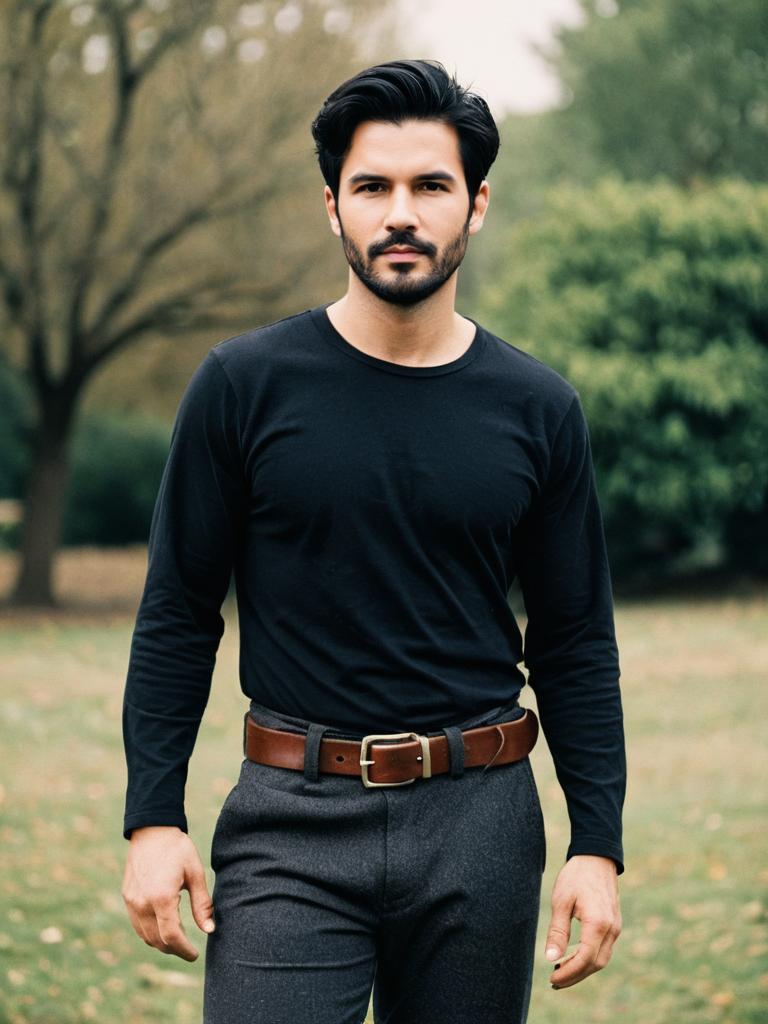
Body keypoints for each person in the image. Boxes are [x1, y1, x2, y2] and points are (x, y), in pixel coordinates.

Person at [121, 59, 626, 1024]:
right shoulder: (242, 386)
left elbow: (575, 641)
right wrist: (153, 817)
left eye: (430, 185)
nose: (402, 212)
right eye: (373, 187)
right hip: (289, 820)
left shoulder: (539, 408)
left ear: (475, 205)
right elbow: (178, 614)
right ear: (332, 205)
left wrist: (596, 847)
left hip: (481, 821)